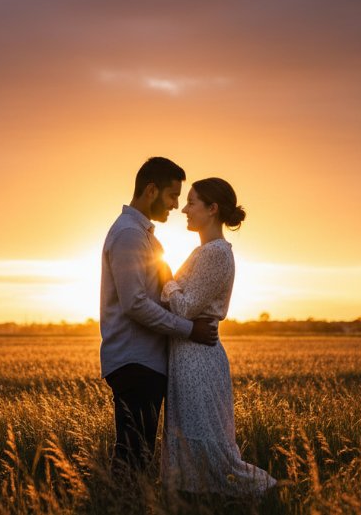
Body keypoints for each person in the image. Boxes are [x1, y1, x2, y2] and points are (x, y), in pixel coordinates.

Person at [100, 157, 220, 480]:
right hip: (135, 362)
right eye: (172, 196)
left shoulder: (145, 236)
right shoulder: (128, 235)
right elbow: (136, 303)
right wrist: (189, 329)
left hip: (142, 362)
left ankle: (124, 504)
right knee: (133, 458)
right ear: (151, 190)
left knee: (136, 455)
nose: (176, 206)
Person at [160, 177, 277, 498]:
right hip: (188, 354)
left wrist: (166, 278)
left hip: (198, 356)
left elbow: (183, 308)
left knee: (205, 436)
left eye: (192, 202)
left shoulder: (215, 253)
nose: (184, 208)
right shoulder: (205, 251)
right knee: (191, 434)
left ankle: (265, 492)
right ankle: (198, 500)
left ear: (212, 209)